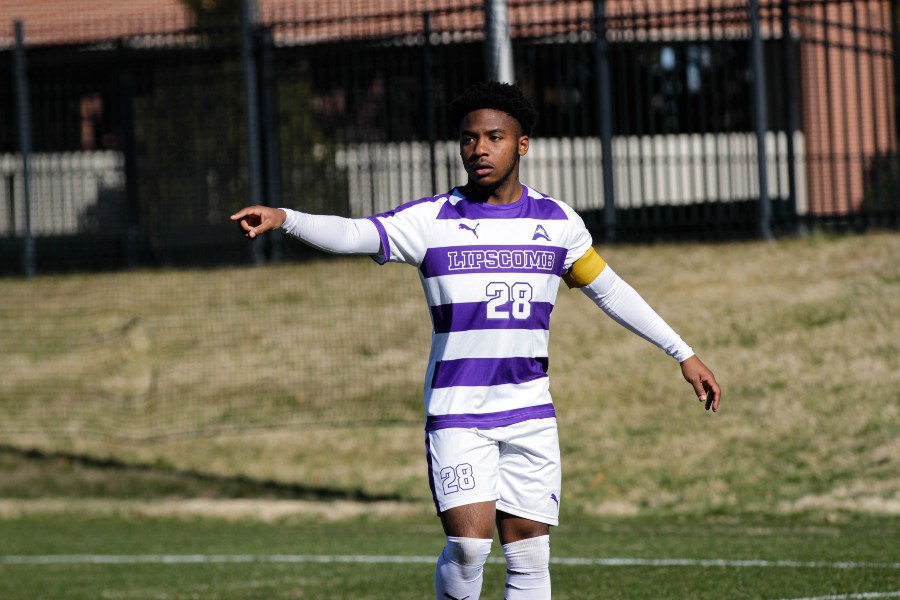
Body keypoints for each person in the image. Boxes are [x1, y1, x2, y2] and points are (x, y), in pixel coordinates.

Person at [231, 81, 721, 600]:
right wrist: (287, 219)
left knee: (530, 554)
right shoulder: (431, 220)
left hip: (530, 412)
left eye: (494, 137)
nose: (480, 149)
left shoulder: (557, 223)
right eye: (469, 139)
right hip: (458, 412)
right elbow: (356, 233)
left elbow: (611, 291)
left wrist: (682, 352)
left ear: (522, 143)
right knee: (468, 548)